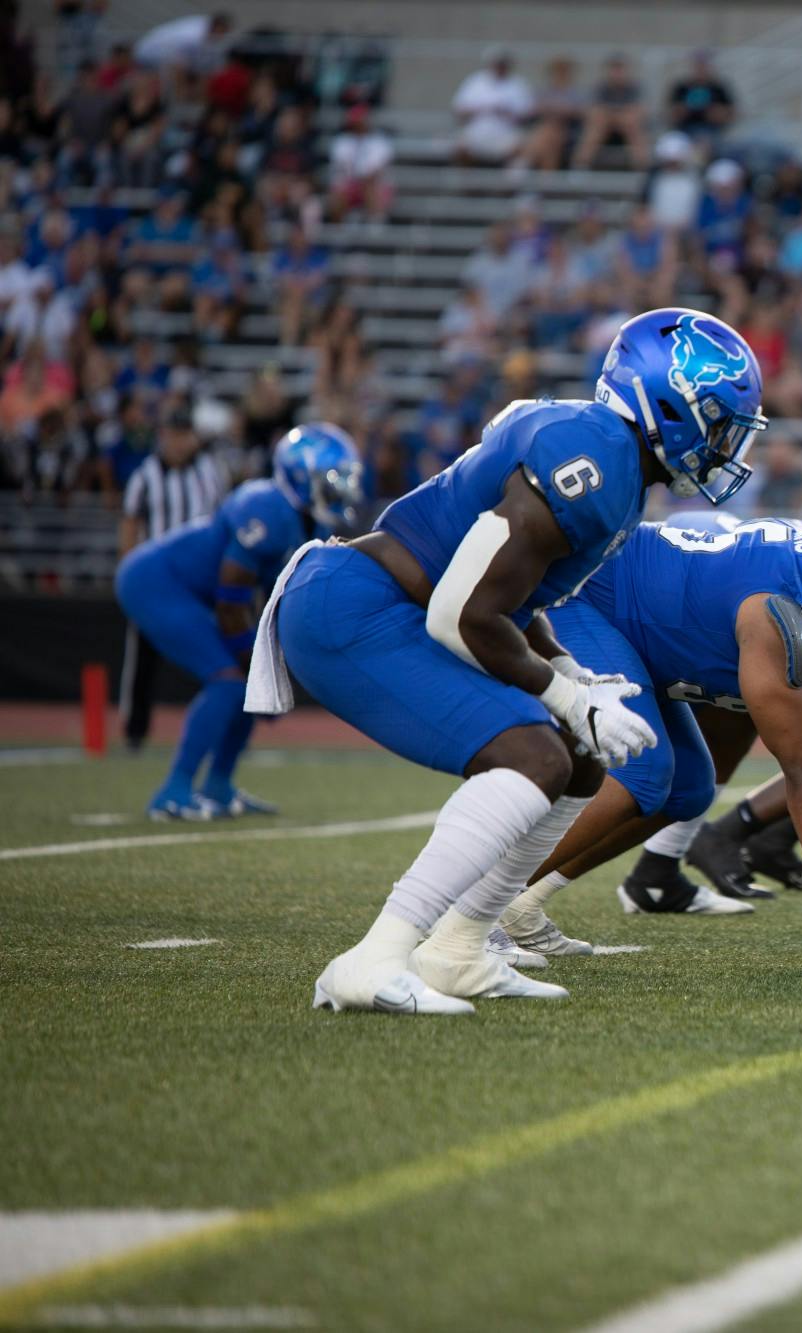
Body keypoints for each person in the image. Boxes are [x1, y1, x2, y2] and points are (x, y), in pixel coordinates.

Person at [252, 309, 765, 1016]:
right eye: (716, 422)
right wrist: (565, 695)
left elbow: (515, 596)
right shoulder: (595, 460)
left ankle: (459, 947)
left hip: (399, 602)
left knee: (580, 757)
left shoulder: (611, 461)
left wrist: (570, 673)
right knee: (534, 755)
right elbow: (462, 613)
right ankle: (374, 957)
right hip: (356, 604)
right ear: (668, 407)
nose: (724, 443)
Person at [506, 494, 802, 967]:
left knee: (688, 789)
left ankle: (520, 904)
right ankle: (476, 903)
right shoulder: (791, 610)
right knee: (642, 772)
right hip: (588, 598)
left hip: (640, 624)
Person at [117, 424, 362, 820]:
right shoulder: (266, 507)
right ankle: (174, 790)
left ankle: (218, 786)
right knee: (231, 681)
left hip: (198, 592)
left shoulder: (312, 523)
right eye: (334, 479)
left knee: (253, 687)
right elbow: (231, 600)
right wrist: (253, 663)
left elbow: (279, 600)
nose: (342, 489)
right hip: (156, 583)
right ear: (302, 476)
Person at [117, 401, 228, 752]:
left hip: (200, 579)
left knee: (215, 656)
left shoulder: (210, 471)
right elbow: (130, 523)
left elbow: (223, 521)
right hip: (155, 581)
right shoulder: (145, 476)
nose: (179, 442)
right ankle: (135, 732)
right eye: (173, 434)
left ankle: (221, 728)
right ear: (163, 435)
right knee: (143, 658)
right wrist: (128, 567)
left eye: (184, 434)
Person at [451, 49, 536, 166]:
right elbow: (459, 110)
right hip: (477, 132)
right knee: (460, 148)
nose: (500, 66)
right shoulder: (475, 81)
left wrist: (506, 112)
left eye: (503, 63)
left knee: (522, 149)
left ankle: (509, 178)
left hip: (507, 133)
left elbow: (528, 114)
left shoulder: (518, 84)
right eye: (497, 63)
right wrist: (482, 109)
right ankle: (464, 177)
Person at [666, 50, 735, 141]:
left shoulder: (718, 88)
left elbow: (731, 113)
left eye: (704, 65)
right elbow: (669, 114)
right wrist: (682, 111)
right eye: (698, 66)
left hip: (712, 131)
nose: (701, 69)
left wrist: (717, 113)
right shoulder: (682, 88)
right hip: (683, 131)